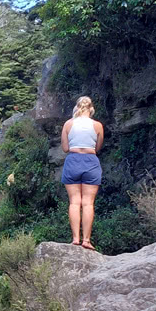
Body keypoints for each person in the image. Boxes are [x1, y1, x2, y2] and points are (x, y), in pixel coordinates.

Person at [60, 96, 105, 251]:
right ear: (91, 109)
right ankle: (86, 240)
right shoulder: (98, 125)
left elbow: (65, 148)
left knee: (74, 202)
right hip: (90, 162)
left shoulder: (68, 124)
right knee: (88, 203)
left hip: (72, 161)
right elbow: (98, 147)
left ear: (76, 108)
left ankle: (75, 239)